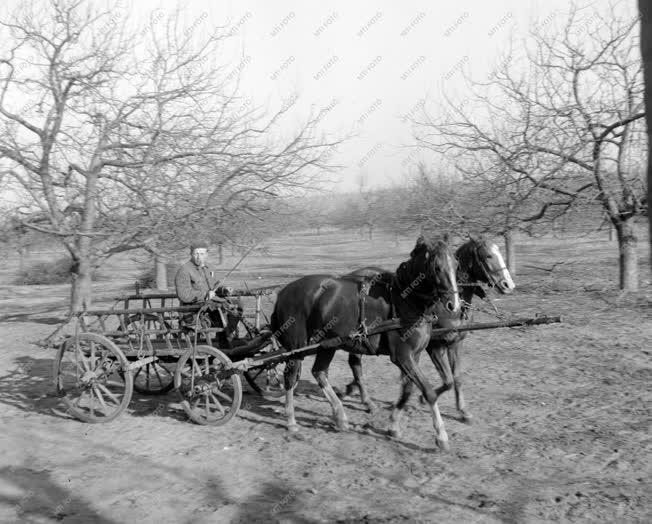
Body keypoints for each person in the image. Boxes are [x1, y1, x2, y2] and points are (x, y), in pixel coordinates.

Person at [175, 240, 240, 345]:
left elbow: (215, 287)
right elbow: (184, 295)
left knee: (237, 305)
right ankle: (225, 341)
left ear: (206, 254)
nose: (198, 257)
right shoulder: (184, 270)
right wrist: (205, 295)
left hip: (210, 306)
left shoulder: (209, 268)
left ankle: (227, 336)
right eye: (196, 254)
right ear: (191, 254)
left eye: (202, 254)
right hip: (193, 310)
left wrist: (224, 290)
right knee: (222, 306)